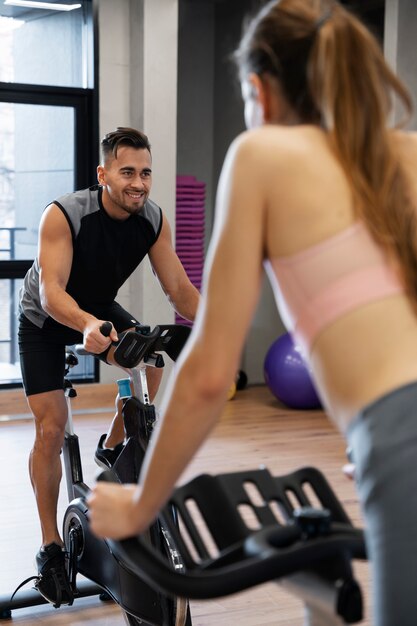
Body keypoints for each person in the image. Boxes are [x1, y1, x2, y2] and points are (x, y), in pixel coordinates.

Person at [88, 2, 417, 624]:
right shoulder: (407, 153)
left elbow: (211, 372)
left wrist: (139, 506)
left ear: (259, 91)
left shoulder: (262, 154)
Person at [18, 126, 200, 605]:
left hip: (98, 307)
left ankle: (113, 445)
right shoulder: (64, 214)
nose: (138, 182)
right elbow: (54, 292)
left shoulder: (152, 219)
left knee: (151, 360)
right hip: (46, 317)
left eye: (145, 172)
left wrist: (219, 325)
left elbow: (179, 289)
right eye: (127, 172)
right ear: (103, 174)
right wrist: (85, 325)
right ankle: (51, 548)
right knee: (51, 429)